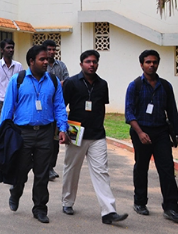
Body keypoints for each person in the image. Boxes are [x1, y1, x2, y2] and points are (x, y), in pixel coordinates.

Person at [1, 45, 68, 224]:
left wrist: (62, 128)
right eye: (42, 59)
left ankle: (39, 208)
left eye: (47, 59)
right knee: (21, 171)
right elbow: (8, 109)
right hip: (23, 133)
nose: (46, 62)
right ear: (31, 62)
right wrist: (3, 134)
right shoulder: (18, 80)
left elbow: (59, 106)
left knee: (42, 174)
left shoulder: (53, 81)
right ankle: (16, 192)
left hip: (46, 133)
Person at [61, 50, 128, 224]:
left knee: (102, 172)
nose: (92, 64)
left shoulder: (102, 84)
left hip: (97, 134)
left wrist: (99, 126)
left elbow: (101, 109)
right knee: (71, 169)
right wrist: (63, 130)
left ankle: (109, 212)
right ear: (81, 64)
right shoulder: (71, 83)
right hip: (75, 134)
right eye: (88, 61)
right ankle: (67, 202)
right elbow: (61, 108)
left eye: (94, 62)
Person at [125, 49, 178, 223]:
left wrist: (176, 133)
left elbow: (172, 110)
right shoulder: (134, 85)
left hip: (161, 133)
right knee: (141, 167)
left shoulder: (165, 86)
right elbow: (129, 113)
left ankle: (171, 207)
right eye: (148, 62)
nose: (152, 65)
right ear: (141, 64)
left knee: (166, 169)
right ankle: (140, 202)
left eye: (154, 62)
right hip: (140, 132)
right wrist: (141, 133)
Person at [43, 39, 69, 181]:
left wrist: (58, 84)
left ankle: (50, 168)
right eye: (49, 49)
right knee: (45, 141)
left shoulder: (61, 65)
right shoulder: (42, 66)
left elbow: (67, 80)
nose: (52, 52)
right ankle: (44, 167)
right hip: (44, 109)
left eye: (54, 49)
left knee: (55, 141)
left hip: (58, 108)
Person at [0, 39, 23, 125]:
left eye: (12, 48)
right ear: (2, 50)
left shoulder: (18, 66)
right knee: (3, 129)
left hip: (15, 102)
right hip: (0, 102)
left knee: (15, 128)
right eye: (8, 48)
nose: (11, 50)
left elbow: (21, 86)